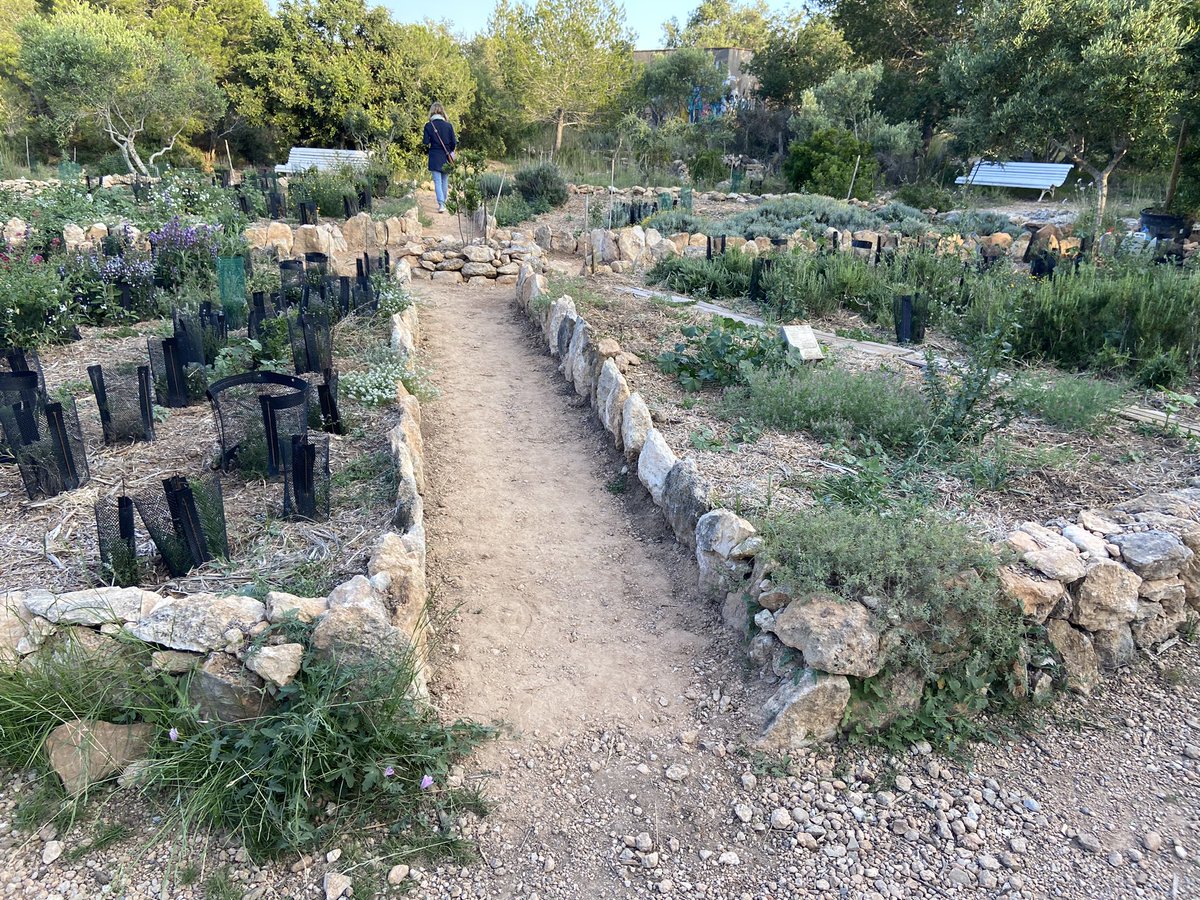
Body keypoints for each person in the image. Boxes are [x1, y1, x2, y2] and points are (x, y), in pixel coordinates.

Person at [423, 102, 457, 214]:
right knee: (444, 180)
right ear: (442, 112)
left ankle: (441, 204)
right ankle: (444, 203)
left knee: (437, 181)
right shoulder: (448, 125)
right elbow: (454, 142)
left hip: (434, 155)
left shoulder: (429, 126)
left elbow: (425, 142)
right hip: (445, 155)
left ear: (432, 111)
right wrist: (449, 150)